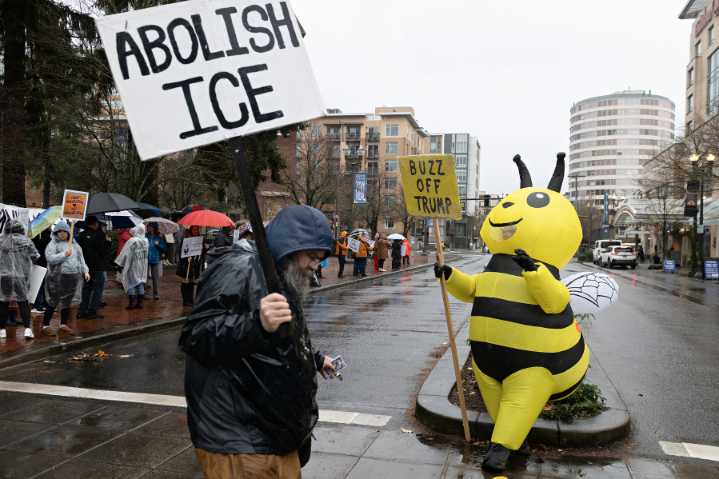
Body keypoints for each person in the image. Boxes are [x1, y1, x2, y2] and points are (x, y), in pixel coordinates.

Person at [179, 205, 338, 479]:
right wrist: (256, 323)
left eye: (320, 259)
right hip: (241, 436)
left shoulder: (279, 273)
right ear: (291, 245)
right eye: (312, 257)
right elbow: (197, 335)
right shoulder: (239, 268)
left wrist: (314, 358)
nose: (315, 266)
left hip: (271, 432)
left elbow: (284, 336)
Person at [42, 220, 89, 335]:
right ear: (56, 233)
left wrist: (85, 271)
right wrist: (64, 255)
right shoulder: (52, 245)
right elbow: (50, 258)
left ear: (69, 232)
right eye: (59, 231)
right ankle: (45, 325)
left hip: (72, 278)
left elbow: (81, 259)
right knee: (53, 301)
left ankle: (63, 324)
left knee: (67, 301)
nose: (62, 234)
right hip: (56, 278)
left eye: (64, 231)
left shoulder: (75, 245)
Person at [0, 220, 40, 340]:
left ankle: (1, 330)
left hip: (4, 276)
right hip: (21, 276)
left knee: (3, 302)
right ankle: (27, 329)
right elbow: (36, 256)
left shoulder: (1, 240)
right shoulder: (26, 241)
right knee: (23, 302)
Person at [77, 216, 112, 320]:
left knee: (86, 288)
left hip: (85, 267)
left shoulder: (81, 235)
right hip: (97, 267)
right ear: (95, 223)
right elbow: (104, 251)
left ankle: (82, 310)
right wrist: (108, 243)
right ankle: (92, 310)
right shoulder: (100, 235)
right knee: (97, 289)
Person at [115, 224, 149, 310]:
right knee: (140, 282)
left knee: (130, 283)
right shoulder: (145, 240)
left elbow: (124, 253)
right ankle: (140, 303)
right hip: (142, 265)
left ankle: (132, 303)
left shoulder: (132, 241)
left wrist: (119, 264)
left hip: (132, 265)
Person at [177, 226, 206, 307]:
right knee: (185, 282)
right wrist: (186, 257)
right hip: (186, 264)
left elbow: (202, 252)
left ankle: (190, 299)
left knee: (192, 282)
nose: (196, 231)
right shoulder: (186, 239)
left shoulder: (200, 239)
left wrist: (204, 248)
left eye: (197, 229)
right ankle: (185, 300)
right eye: (194, 229)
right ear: (191, 230)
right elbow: (181, 251)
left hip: (195, 265)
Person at [31, 229, 52, 313]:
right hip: (45, 264)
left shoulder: (34, 239)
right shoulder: (49, 240)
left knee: (38, 285)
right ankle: (39, 305)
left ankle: (37, 305)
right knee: (42, 286)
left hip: (37, 264)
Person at [146, 223, 166, 300]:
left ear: (154, 228)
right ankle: (146, 293)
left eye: (150, 227)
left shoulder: (158, 237)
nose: (148, 228)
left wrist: (158, 245)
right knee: (145, 277)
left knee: (155, 277)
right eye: (148, 227)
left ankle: (156, 293)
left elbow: (163, 248)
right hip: (146, 258)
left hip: (155, 258)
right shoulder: (145, 236)